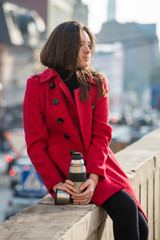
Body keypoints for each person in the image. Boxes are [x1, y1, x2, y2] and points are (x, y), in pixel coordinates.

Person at [23, 21, 149, 240]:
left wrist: (93, 178)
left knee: (140, 223)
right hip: (68, 173)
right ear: (64, 47)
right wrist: (56, 183)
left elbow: (102, 134)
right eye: (81, 44)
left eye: (89, 44)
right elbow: (35, 144)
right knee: (126, 210)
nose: (88, 50)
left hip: (98, 166)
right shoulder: (37, 86)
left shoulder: (97, 83)